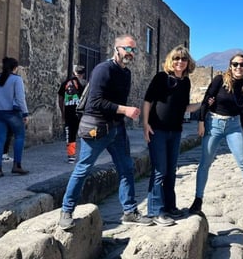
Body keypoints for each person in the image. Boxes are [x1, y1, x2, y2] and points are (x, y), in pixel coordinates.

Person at [58, 34, 150, 230]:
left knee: (126, 168)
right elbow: (96, 102)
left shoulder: (126, 73)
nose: (130, 53)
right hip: (96, 129)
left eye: (134, 50)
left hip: (117, 129)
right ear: (116, 48)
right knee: (83, 169)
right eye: (127, 48)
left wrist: (121, 114)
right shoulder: (103, 70)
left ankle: (130, 211)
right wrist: (125, 110)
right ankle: (66, 211)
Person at [189, 53, 243, 215]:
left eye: (242, 65)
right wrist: (201, 122)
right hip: (214, 124)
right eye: (235, 64)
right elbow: (206, 100)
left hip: (234, 126)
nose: (238, 67)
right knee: (205, 163)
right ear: (230, 66)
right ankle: (198, 200)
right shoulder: (220, 80)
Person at [142, 46, 203, 226]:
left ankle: (170, 207)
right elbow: (148, 100)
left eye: (183, 59)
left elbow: (184, 108)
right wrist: (145, 124)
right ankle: (155, 211)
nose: (179, 62)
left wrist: (202, 103)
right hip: (157, 130)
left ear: (187, 63)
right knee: (159, 170)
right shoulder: (161, 78)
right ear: (171, 60)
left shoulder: (186, 82)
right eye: (176, 59)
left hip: (175, 131)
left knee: (171, 170)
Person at [0, 57, 30, 178]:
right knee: (19, 136)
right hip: (12, 113)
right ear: (15, 68)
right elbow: (21, 98)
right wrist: (25, 113)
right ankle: (17, 165)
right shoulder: (16, 79)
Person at [57, 64, 86, 163]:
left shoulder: (65, 83)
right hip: (82, 113)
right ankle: (85, 154)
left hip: (69, 112)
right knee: (87, 133)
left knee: (71, 134)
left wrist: (62, 112)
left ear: (74, 73)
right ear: (83, 74)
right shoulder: (84, 84)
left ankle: (71, 156)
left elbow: (60, 99)